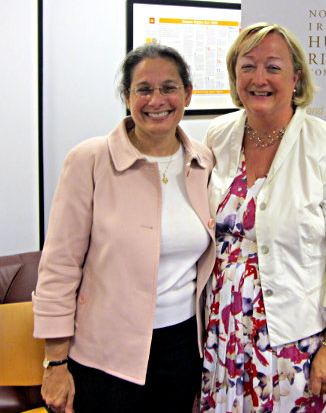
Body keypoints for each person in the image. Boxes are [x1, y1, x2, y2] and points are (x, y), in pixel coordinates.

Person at [200, 23, 326, 412]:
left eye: (273, 67)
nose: (259, 78)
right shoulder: (218, 135)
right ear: (235, 75)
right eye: (247, 66)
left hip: (294, 337)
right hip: (223, 330)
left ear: (296, 77)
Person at [33, 43, 215, 413]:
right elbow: (59, 264)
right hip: (104, 353)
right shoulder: (90, 159)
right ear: (126, 97)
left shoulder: (202, 160)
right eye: (143, 89)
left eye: (169, 88)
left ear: (188, 94)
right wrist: (55, 361)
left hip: (181, 348)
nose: (156, 100)